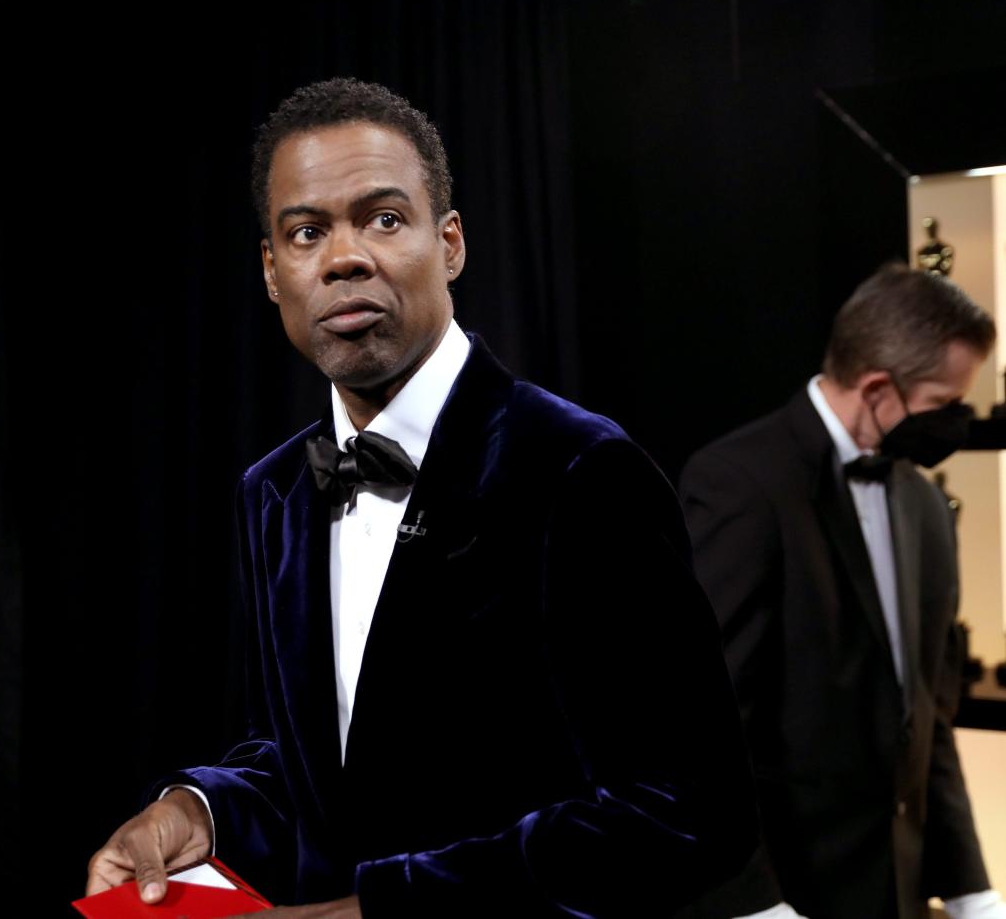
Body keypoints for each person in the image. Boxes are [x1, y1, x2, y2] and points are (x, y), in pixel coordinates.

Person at [86, 77, 758, 916]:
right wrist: (199, 809)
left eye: (384, 219)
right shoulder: (275, 493)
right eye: (305, 232)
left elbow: (693, 810)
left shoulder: (579, 469)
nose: (344, 257)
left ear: (452, 245)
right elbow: (322, 766)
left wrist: (383, 908)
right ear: (270, 271)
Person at [679, 266, 1005, 919]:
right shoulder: (741, 483)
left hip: (899, 891)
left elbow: (926, 719)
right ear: (879, 389)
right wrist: (753, 901)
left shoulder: (925, 504)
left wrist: (971, 888)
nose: (957, 425)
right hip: (785, 893)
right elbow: (700, 722)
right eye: (945, 404)